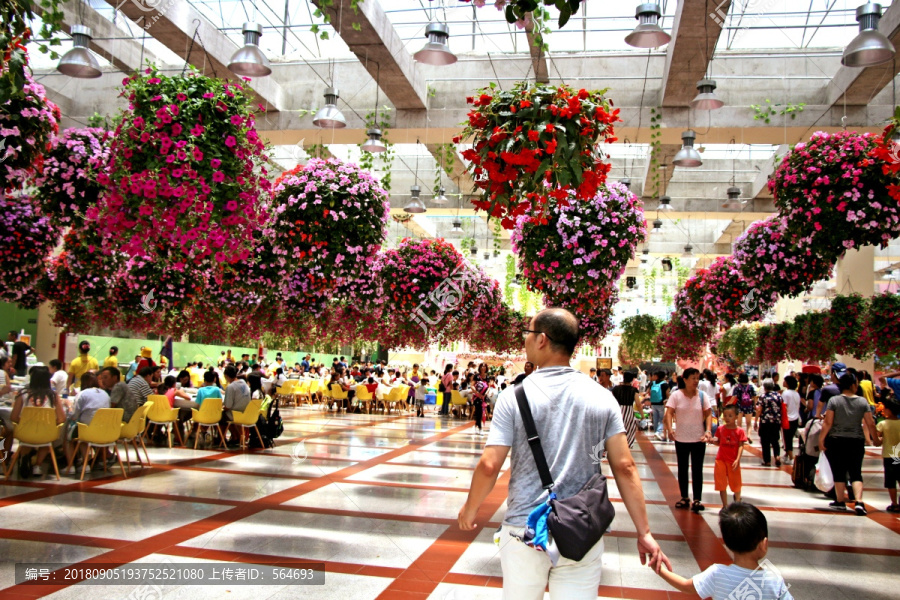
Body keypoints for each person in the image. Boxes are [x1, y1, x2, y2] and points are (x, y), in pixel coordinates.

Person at [458, 308, 670, 598]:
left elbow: (489, 465)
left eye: (528, 334)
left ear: (542, 339)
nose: (525, 340)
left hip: (524, 528)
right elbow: (625, 466)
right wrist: (643, 531)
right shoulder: (600, 395)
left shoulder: (513, 396)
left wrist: (471, 509)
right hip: (581, 526)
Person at [657, 502, 793, 599]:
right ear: (764, 544)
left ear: (727, 543)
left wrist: (659, 569)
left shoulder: (717, 573)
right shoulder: (774, 580)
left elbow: (686, 586)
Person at [819, 373, 878, 515]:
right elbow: (870, 422)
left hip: (836, 440)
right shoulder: (863, 402)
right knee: (855, 471)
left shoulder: (834, 401)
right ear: (852, 385)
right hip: (856, 440)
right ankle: (859, 501)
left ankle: (840, 501)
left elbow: (828, 422)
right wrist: (875, 438)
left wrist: (821, 439)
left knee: (838, 471)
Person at [665, 367, 713, 513]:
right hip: (681, 438)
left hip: (699, 438)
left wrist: (708, 430)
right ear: (684, 379)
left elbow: (709, 414)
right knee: (682, 469)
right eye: (692, 378)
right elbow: (669, 413)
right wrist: (670, 428)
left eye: (697, 378)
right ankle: (684, 497)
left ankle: (697, 499)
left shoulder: (702, 396)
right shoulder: (676, 395)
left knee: (697, 469)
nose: (695, 381)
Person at [10, 367, 66, 476]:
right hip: (46, 434)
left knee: (26, 438)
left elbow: (13, 417)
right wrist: (50, 423)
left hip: (25, 432)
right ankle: (38, 465)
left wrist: (25, 422)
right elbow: (62, 418)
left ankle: (25, 456)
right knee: (46, 441)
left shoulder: (23, 394)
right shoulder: (53, 396)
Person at [63, 372, 111, 474]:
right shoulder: (105, 394)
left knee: (68, 438)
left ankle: (70, 466)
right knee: (83, 437)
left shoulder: (82, 394)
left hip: (86, 431)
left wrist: (69, 406)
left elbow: (74, 416)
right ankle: (86, 465)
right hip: (104, 431)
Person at [711, 405, 748, 508]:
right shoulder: (720, 429)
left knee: (736, 483)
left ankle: (737, 501)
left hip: (732, 460)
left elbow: (741, 445)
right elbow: (719, 442)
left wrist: (737, 459)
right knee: (721, 483)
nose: (727, 418)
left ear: (736, 416)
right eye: (725, 415)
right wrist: (711, 441)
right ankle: (725, 505)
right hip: (720, 459)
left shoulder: (739, 431)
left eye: (730, 416)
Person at [874, 398, 900, 513]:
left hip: (889, 456)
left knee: (891, 481)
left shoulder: (882, 424)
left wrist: (878, 439)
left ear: (889, 410)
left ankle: (894, 504)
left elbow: (877, 442)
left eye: (885, 409)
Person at [756, 379, 784, 468]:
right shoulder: (779, 396)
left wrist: (756, 420)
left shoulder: (763, 396)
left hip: (765, 421)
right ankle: (777, 456)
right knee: (775, 440)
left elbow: (759, 409)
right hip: (776, 421)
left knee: (765, 441)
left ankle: (767, 460)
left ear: (764, 387)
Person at [222, 365, 250, 446]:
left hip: (235, 414)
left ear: (226, 376)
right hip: (246, 413)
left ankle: (230, 437)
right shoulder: (244, 383)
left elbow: (228, 406)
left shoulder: (230, 387)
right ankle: (237, 436)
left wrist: (222, 407)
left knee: (221, 416)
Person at [612, 371, 640, 448]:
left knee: (616, 429)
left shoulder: (616, 389)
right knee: (629, 429)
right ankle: (626, 445)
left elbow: (611, 400)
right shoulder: (633, 390)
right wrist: (642, 415)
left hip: (617, 410)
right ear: (632, 379)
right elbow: (638, 404)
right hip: (629, 411)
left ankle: (616, 445)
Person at [781, 375, 802, 466]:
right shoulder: (796, 394)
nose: (783, 382)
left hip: (787, 418)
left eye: (785, 381)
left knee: (787, 439)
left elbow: (783, 406)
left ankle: (791, 457)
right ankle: (786, 455)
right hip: (795, 418)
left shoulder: (786, 393)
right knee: (790, 437)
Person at [730, 373, 756, 443]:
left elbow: (734, 397)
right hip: (749, 406)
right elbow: (754, 396)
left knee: (739, 423)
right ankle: (749, 436)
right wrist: (755, 405)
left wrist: (728, 404)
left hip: (739, 406)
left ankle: (740, 437)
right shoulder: (750, 387)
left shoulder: (737, 387)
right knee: (749, 423)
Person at [649, 371, 669, 441]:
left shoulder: (653, 383)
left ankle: (655, 432)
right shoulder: (665, 384)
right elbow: (668, 394)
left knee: (655, 419)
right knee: (662, 420)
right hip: (661, 404)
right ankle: (658, 432)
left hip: (653, 403)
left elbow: (649, 392)